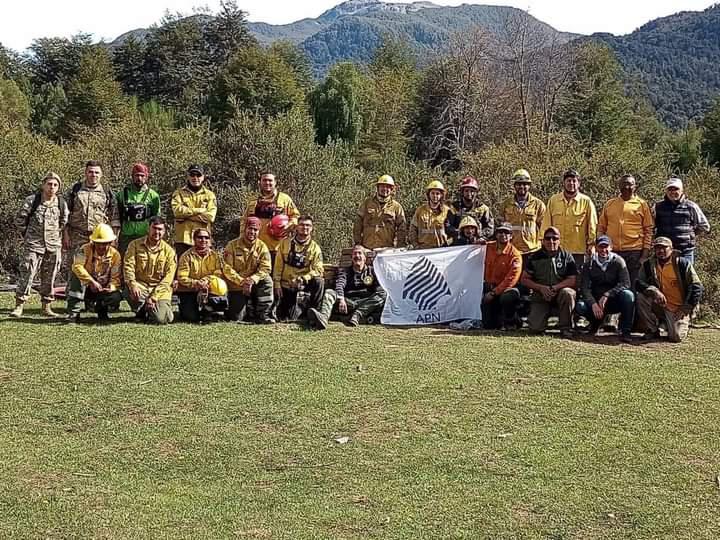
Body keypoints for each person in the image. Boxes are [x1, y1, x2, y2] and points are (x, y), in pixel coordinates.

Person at [11, 172, 69, 318]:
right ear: (43, 185)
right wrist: (28, 235)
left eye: (55, 185)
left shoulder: (61, 203)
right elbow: (20, 220)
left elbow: (63, 222)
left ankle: (46, 306)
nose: (52, 187)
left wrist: (55, 236)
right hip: (33, 244)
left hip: (53, 245)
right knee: (27, 273)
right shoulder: (32, 201)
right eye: (49, 184)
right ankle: (19, 306)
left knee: (50, 277)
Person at [636, 236, 703, 343]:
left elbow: (697, 287)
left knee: (676, 337)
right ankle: (653, 329)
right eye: (657, 248)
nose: (660, 251)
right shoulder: (648, 264)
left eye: (664, 248)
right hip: (659, 304)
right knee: (640, 297)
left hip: (678, 308)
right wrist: (653, 290)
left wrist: (685, 309)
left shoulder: (682, 263)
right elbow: (638, 283)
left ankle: (675, 322)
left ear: (671, 249)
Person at [63, 161, 119, 278]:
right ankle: (74, 296)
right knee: (75, 268)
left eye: (96, 172)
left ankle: (95, 295)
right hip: (77, 236)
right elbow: (65, 215)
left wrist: (113, 238)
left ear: (101, 174)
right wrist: (65, 235)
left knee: (98, 269)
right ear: (85, 173)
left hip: (99, 239)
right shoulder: (75, 190)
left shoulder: (107, 192)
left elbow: (114, 217)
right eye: (90, 172)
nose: (93, 175)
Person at [309, 245, 386, 329]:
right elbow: (339, 284)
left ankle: (358, 314)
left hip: (366, 303)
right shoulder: (345, 271)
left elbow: (379, 288)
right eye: (354, 254)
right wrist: (341, 299)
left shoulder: (372, 271)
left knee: (383, 293)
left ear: (365, 258)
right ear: (352, 258)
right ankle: (323, 318)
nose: (357, 256)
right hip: (348, 302)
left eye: (360, 253)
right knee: (329, 292)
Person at [574, 235, 635, 342]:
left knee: (628, 295)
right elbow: (584, 288)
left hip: (614, 300)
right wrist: (593, 303)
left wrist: (607, 294)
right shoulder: (589, 264)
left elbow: (625, 283)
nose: (603, 250)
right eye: (601, 247)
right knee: (580, 306)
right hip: (596, 301)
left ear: (611, 247)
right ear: (596, 248)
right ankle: (595, 324)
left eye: (606, 247)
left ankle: (625, 331)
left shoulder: (618, 261)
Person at [521, 227, 578, 338]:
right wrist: (541, 288)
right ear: (543, 241)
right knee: (535, 329)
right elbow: (524, 279)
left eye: (554, 238)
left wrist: (555, 288)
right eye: (548, 238)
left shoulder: (567, 256)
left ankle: (566, 328)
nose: (551, 241)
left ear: (559, 240)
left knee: (569, 293)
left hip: (560, 293)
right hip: (540, 295)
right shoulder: (534, 257)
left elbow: (573, 280)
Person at [598, 174, 653, 288]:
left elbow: (648, 230)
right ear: (619, 186)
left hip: (634, 252)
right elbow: (601, 227)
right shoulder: (610, 204)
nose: (627, 187)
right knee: (611, 285)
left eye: (630, 184)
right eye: (624, 184)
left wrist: (644, 255)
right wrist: (600, 248)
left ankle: (632, 305)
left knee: (633, 285)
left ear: (635, 186)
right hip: (612, 252)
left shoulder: (642, 205)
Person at [123, 216, 177, 325]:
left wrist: (154, 297)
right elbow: (128, 266)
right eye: (154, 228)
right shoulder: (134, 245)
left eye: (160, 229)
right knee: (129, 290)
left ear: (165, 231)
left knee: (162, 319)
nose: (157, 232)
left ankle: (151, 310)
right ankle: (142, 310)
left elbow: (168, 279)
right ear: (148, 229)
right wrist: (132, 284)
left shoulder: (169, 251)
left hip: (160, 290)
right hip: (141, 287)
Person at [541, 169, 597, 270]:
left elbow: (592, 225)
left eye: (574, 181)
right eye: (568, 180)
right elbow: (546, 224)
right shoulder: (553, 200)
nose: (571, 183)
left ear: (579, 183)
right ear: (564, 183)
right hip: (557, 250)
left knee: (577, 280)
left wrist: (592, 244)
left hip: (578, 251)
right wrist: (544, 243)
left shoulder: (586, 202)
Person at [66, 224, 122, 322]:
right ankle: (73, 314)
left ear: (110, 243)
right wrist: (91, 281)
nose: (101, 246)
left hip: (103, 288)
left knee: (115, 296)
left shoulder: (115, 255)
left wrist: (111, 287)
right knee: (76, 276)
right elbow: (77, 266)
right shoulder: (84, 249)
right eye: (98, 243)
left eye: (104, 243)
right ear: (93, 242)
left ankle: (102, 310)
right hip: (86, 287)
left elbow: (116, 277)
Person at [176, 228, 235, 323]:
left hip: (209, 288)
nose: (203, 240)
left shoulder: (216, 256)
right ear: (194, 239)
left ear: (210, 240)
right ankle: (187, 308)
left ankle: (209, 311)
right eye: (200, 237)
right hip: (191, 290)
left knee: (219, 289)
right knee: (191, 317)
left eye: (206, 237)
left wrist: (207, 281)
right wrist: (197, 283)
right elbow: (181, 277)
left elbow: (219, 272)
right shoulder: (186, 256)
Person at [223, 216, 275, 324]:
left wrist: (252, 279)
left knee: (267, 281)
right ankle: (246, 308)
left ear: (259, 231)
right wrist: (242, 281)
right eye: (250, 228)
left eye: (255, 230)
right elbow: (227, 269)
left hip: (254, 284)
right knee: (237, 318)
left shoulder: (262, 247)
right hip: (237, 285)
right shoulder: (231, 245)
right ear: (244, 229)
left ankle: (263, 314)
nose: (252, 232)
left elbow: (266, 268)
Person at [273, 215, 324, 321]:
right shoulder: (284, 243)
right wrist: (277, 284)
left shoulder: (315, 248)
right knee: (289, 317)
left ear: (312, 228)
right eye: (301, 225)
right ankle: (300, 310)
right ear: (296, 227)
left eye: (308, 225)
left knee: (319, 281)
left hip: (304, 283)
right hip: (287, 284)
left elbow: (318, 269)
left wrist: (304, 278)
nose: (304, 227)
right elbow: (278, 266)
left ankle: (315, 313)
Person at [243, 171, 300, 262]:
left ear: (275, 182)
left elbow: (296, 216)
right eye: (264, 180)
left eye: (270, 180)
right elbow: (244, 222)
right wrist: (243, 240)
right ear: (260, 182)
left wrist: (289, 226)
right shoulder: (253, 201)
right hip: (256, 247)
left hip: (278, 248)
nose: (267, 183)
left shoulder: (285, 199)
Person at [654, 176, 710, 264]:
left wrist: (691, 235)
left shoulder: (691, 206)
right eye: (670, 189)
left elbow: (705, 226)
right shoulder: (658, 206)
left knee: (686, 277)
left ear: (682, 190)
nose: (673, 192)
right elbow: (651, 226)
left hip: (685, 251)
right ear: (666, 191)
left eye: (676, 189)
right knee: (665, 277)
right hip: (663, 252)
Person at [500, 168, 546, 265]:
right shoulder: (506, 204)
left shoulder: (538, 204)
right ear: (514, 186)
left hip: (532, 251)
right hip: (511, 250)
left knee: (529, 279)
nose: (522, 186)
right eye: (519, 184)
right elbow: (501, 226)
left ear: (529, 185)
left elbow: (543, 228)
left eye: (525, 184)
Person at [171, 164, 217, 259]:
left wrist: (186, 216)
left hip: (203, 239)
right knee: (182, 270)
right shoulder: (178, 193)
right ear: (188, 176)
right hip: (183, 239)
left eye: (198, 175)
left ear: (203, 177)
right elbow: (177, 212)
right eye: (192, 175)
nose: (195, 178)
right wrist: (200, 211)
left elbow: (210, 217)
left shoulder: (210, 195)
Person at [482, 223, 523, 330]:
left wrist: (494, 293)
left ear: (511, 236)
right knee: (489, 326)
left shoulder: (515, 255)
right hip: (488, 287)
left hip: (505, 289)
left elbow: (511, 279)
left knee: (508, 297)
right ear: (496, 234)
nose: (503, 235)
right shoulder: (487, 247)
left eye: (506, 232)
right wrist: (476, 244)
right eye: (500, 232)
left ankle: (512, 321)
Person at [116, 162, 161, 254]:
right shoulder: (122, 194)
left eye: (142, 176)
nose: (139, 178)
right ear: (132, 176)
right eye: (136, 175)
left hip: (144, 236)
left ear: (146, 177)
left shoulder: (153, 196)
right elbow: (116, 217)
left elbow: (157, 218)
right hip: (126, 237)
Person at [353, 174, 407, 249]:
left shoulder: (397, 207)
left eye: (387, 187)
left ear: (392, 189)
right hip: (367, 248)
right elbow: (358, 224)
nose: (385, 189)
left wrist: (400, 246)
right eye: (382, 186)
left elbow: (402, 228)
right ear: (377, 188)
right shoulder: (367, 203)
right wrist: (358, 243)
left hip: (387, 250)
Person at [446, 176, 494, 243]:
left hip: (478, 243)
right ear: (462, 192)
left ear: (476, 192)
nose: (469, 193)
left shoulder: (483, 208)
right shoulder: (454, 207)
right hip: (458, 243)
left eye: (472, 191)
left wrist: (481, 236)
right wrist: (460, 234)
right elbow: (448, 226)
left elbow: (489, 227)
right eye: (466, 191)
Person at [408, 180, 452, 249]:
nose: (435, 196)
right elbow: (413, 229)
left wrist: (448, 245)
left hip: (442, 250)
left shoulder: (447, 211)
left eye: (437, 194)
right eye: (433, 193)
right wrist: (416, 246)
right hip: (423, 249)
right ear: (428, 194)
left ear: (441, 195)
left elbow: (453, 232)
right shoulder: (420, 210)